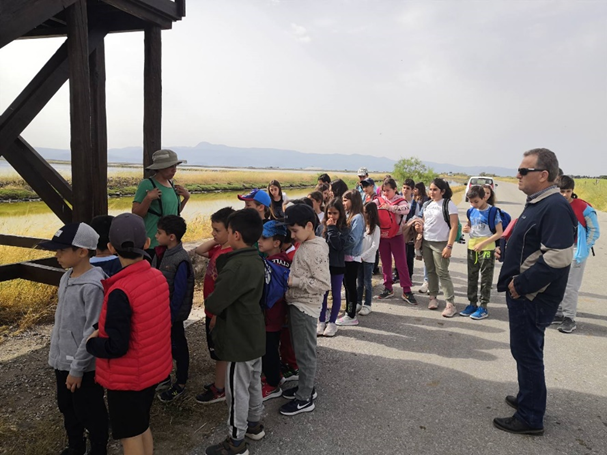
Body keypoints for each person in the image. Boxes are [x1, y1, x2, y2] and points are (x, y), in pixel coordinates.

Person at [494, 148, 577, 435]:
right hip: (527, 294)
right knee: (524, 350)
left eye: (523, 170)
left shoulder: (554, 206)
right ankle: (528, 398)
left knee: (527, 353)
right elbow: (532, 244)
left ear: (543, 175)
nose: (517, 175)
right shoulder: (540, 202)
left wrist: (521, 285)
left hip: (533, 296)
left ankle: (530, 416)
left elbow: (558, 257)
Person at [86, 213, 172, 455]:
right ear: (147, 243)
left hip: (127, 378)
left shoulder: (120, 290)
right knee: (141, 424)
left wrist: (92, 344)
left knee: (129, 434)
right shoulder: (157, 277)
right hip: (151, 369)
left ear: (112, 247)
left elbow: (117, 346)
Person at [38, 223, 109, 455]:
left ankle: (98, 448)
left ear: (82, 252)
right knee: (67, 407)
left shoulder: (93, 286)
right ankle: (75, 446)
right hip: (62, 361)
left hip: (83, 367)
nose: (56, 255)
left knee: (89, 410)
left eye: (62, 250)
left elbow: (92, 331)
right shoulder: (66, 277)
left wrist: (77, 369)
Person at [202, 209, 266, 455]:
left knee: (236, 390)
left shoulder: (236, 265)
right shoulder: (256, 258)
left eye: (228, 231)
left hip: (238, 338)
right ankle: (254, 424)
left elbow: (215, 302)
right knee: (253, 383)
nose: (226, 235)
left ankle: (236, 441)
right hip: (254, 333)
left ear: (236, 235)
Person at [281, 204, 331, 415]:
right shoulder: (307, 243)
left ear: (309, 226)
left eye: (295, 231)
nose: (292, 236)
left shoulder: (315, 249)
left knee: (304, 353)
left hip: (305, 307)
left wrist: (294, 282)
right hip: (297, 303)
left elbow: (323, 283)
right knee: (300, 349)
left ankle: (304, 398)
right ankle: (306, 386)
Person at [194, 207, 235, 404]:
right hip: (212, 310)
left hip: (219, 313)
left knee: (220, 352)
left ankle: (220, 389)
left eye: (217, 230)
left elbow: (227, 291)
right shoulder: (218, 250)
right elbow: (199, 250)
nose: (213, 233)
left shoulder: (229, 256)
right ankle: (221, 381)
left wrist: (217, 315)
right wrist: (218, 239)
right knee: (217, 351)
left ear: (232, 230)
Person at [151, 215, 194, 402]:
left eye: (159, 233)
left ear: (171, 237)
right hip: (160, 312)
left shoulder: (180, 259)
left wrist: (170, 316)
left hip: (172, 315)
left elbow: (179, 293)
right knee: (163, 346)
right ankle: (164, 376)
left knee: (178, 346)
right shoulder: (161, 252)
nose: (155, 235)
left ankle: (181, 382)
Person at [553, 175, 600, 333]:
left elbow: (594, 230)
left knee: (570, 286)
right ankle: (559, 312)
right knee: (557, 282)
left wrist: (584, 248)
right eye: (561, 191)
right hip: (558, 250)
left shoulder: (583, 207)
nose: (565, 194)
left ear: (572, 191)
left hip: (576, 250)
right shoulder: (554, 206)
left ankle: (569, 318)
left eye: (568, 191)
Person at [132, 149, 190, 260]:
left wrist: (186, 198)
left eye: (175, 166)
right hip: (152, 243)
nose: (174, 170)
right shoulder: (147, 184)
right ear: (159, 168)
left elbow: (174, 212)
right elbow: (136, 214)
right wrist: (148, 198)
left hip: (170, 243)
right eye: (170, 166)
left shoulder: (172, 184)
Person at [257, 220, 291, 400]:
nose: (259, 241)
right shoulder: (282, 260)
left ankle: (272, 385)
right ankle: (276, 375)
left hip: (271, 315)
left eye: (264, 238)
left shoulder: (274, 265)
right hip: (277, 314)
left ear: (276, 242)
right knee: (271, 347)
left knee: (268, 349)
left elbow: (273, 293)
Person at [460, 186, 503, 320]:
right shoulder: (471, 211)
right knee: (472, 276)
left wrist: (483, 244)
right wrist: (467, 229)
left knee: (486, 278)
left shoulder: (493, 212)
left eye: (476, 201)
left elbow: (499, 233)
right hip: (472, 247)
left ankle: (483, 306)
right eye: (471, 201)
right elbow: (470, 226)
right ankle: (472, 303)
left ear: (484, 197)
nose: (473, 204)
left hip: (487, 249)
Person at [374, 178, 417, 304]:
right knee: (385, 263)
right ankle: (388, 287)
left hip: (397, 236)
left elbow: (406, 209)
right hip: (383, 236)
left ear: (395, 190)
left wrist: (390, 208)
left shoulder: (400, 200)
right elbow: (369, 207)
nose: (385, 193)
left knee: (401, 263)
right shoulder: (379, 200)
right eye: (384, 190)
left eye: (388, 190)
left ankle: (406, 290)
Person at [421, 178, 459, 317]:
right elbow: (425, 222)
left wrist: (449, 246)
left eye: (435, 190)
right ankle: (433, 298)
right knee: (430, 271)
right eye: (430, 189)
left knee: (442, 272)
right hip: (427, 242)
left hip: (441, 243)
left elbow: (454, 226)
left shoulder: (449, 204)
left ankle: (450, 304)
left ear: (442, 191)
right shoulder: (427, 204)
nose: (432, 192)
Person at [317, 198, 348, 337]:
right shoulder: (320, 227)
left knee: (335, 294)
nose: (331, 216)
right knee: (323, 294)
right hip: (323, 265)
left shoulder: (344, 228)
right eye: (329, 213)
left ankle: (332, 322)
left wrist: (332, 229)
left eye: (335, 213)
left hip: (337, 265)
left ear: (340, 213)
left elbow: (338, 245)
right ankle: (321, 320)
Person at [336, 190, 365, 326]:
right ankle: (349, 312)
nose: (343, 203)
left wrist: (339, 245)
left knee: (350, 287)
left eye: (345, 200)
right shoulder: (349, 215)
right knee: (347, 286)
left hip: (352, 258)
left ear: (353, 201)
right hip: (346, 257)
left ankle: (351, 315)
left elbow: (353, 239)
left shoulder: (357, 218)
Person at [357, 202, 381, 316]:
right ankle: (358, 302)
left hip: (368, 260)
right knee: (359, 282)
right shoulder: (362, 226)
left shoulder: (376, 228)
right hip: (359, 258)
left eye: (365, 212)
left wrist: (363, 256)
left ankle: (367, 304)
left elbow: (374, 247)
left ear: (371, 213)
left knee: (367, 282)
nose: (364, 214)